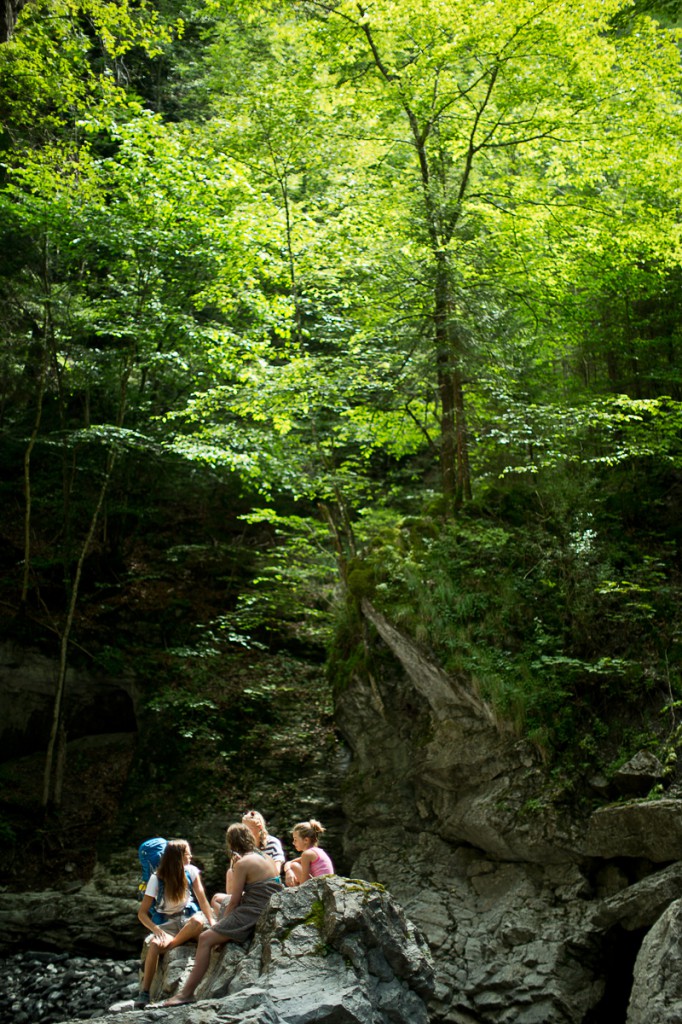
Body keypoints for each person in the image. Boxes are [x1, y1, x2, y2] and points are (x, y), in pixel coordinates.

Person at [163, 822, 282, 1006]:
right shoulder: (264, 856)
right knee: (219, 898)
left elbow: (235, 901)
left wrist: (220, 927)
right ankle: (223, 934)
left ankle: (185, 994)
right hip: (265, 904)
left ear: (232, 843)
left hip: (254, 910)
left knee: (205, 939)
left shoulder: (243, 863)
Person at [136, 838, 213, 1006]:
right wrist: (156, 930)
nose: (191, 856)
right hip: (168, 925)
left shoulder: (191, 871)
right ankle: (144, 993)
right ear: (178, 857)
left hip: (187, 920)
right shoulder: (156, 879)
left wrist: (213, 922)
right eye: (187, 853)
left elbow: (203, 900)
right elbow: (142, 913)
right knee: (155, 945)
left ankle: (171, 946)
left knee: (198, 921)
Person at [210, 809, 284, 917]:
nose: (244, 832)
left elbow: (276, 871)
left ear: (259, 827)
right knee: (230, 873)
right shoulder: (241, 849)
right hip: (245, 889)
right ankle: (232, 911)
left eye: (247, 829)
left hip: (263, 890)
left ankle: (230, 917)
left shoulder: (272, 843)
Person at [283, 819, 334, 887]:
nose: (293, 843)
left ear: (306, 840)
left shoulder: (307, 854)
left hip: (321, 888)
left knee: (294, 865)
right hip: (327, 886)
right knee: (293, 865)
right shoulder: (316, 852)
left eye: (295, 839)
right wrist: (288, 871)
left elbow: (305, 879)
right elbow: (288, 863)